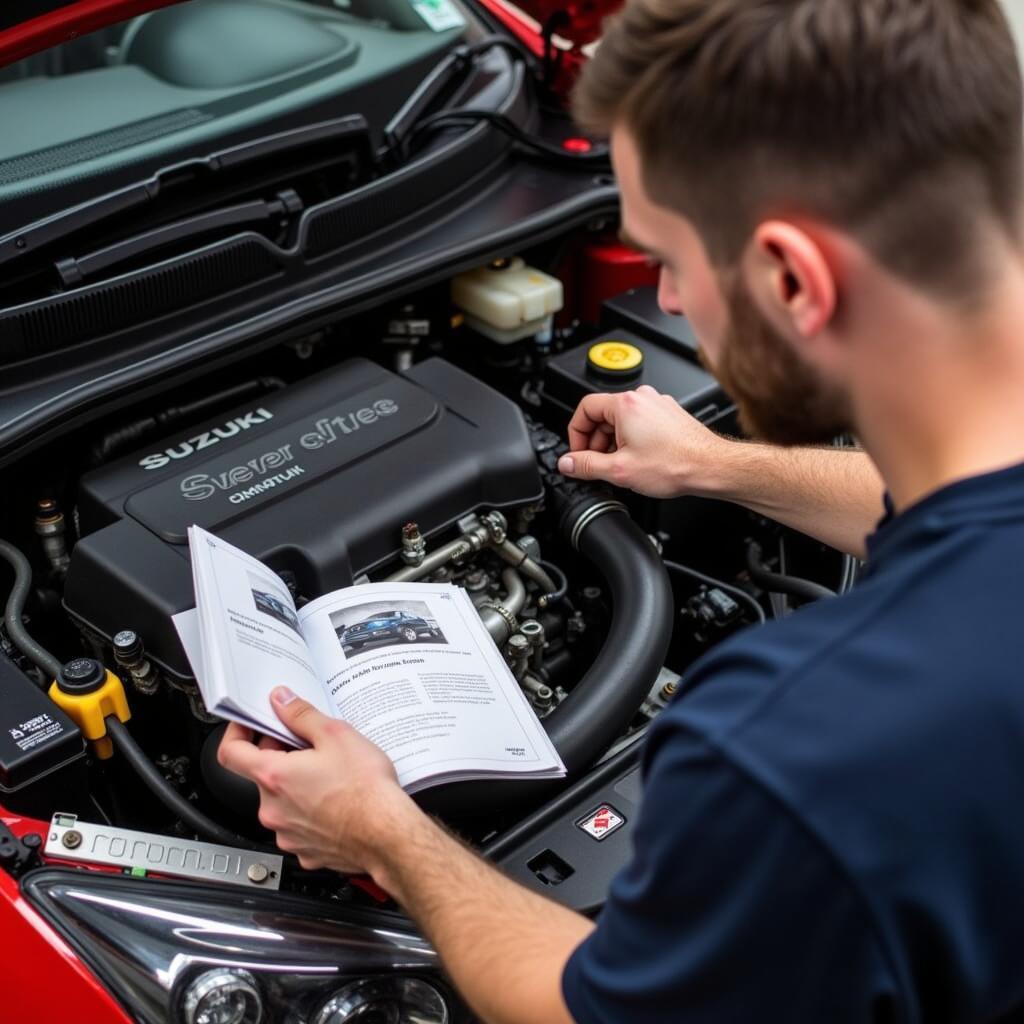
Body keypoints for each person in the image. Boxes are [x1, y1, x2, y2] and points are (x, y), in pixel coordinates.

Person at [219, 0, 1024, 1020]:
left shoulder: (808, 751)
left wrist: (382, 831)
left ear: (790, 276)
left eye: (672, 263)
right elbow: (955, 504)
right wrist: (714, 465)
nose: (671, 304)